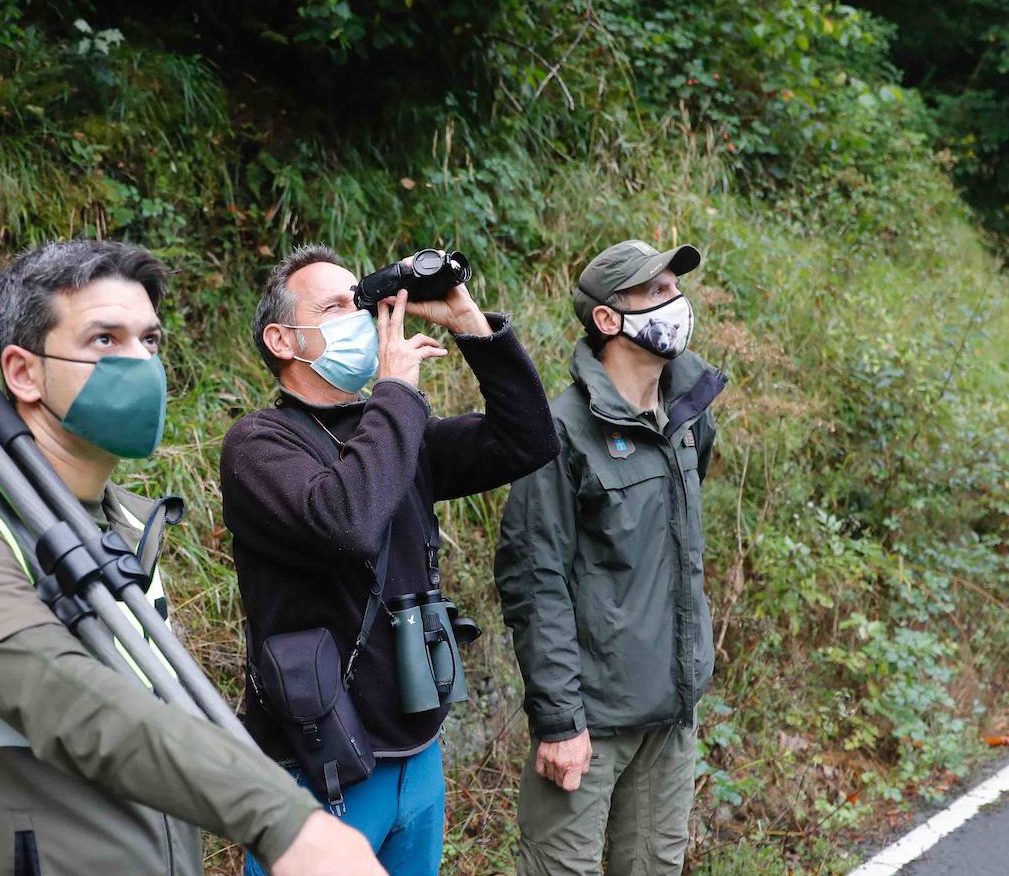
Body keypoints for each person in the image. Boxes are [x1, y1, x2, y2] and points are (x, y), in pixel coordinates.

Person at [0, 239, 385, 875]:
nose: (141, 363)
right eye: (104, 340)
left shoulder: (123, 525)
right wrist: (282, 818)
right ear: (23, 371)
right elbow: (66, 699)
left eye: (149, 339)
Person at [221, 244, 557, 876]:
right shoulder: (258, 445)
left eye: (361, 298)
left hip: (417, 751)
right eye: (336, 306)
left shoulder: (396, 436)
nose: (362, 315)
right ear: (284, 339)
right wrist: (396, 391)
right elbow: (346, 521)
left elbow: (528, 438)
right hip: (318, 765)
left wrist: (468, 323)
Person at [493, 240, 727, 876]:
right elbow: (534, 581)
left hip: (670, 715)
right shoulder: (562, 431)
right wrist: (561, 719)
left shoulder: (687, 415)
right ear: (606, 319)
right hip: (589, 725)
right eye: (654, 292)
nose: (674, 303)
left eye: (674, 288)